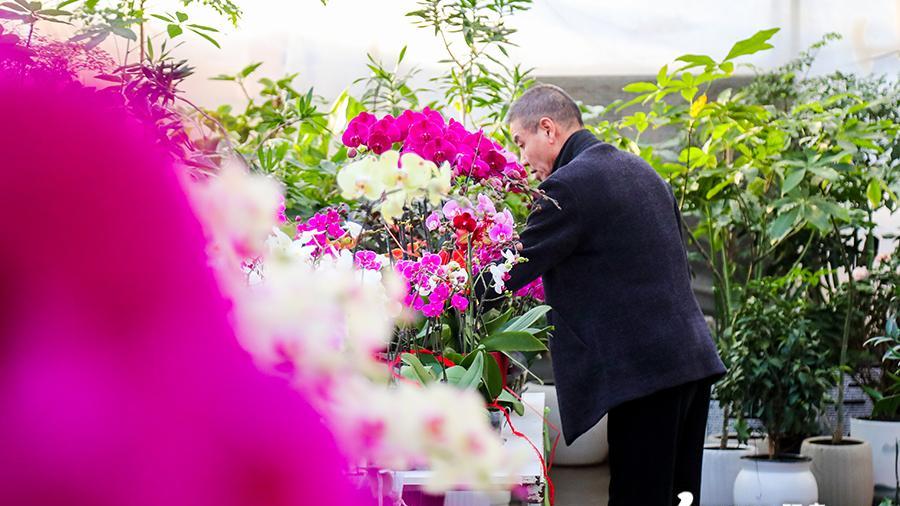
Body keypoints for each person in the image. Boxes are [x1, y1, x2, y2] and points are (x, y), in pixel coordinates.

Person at [503, 84, 726, 505]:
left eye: (521, 142)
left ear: (547, 129)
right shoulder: (640, 170)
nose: (521, 160)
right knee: (678, 497)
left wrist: (447, 291)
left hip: (649, 377)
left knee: (637, 497)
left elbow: (511, 270)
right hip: (688, 362)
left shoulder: (570, 186)